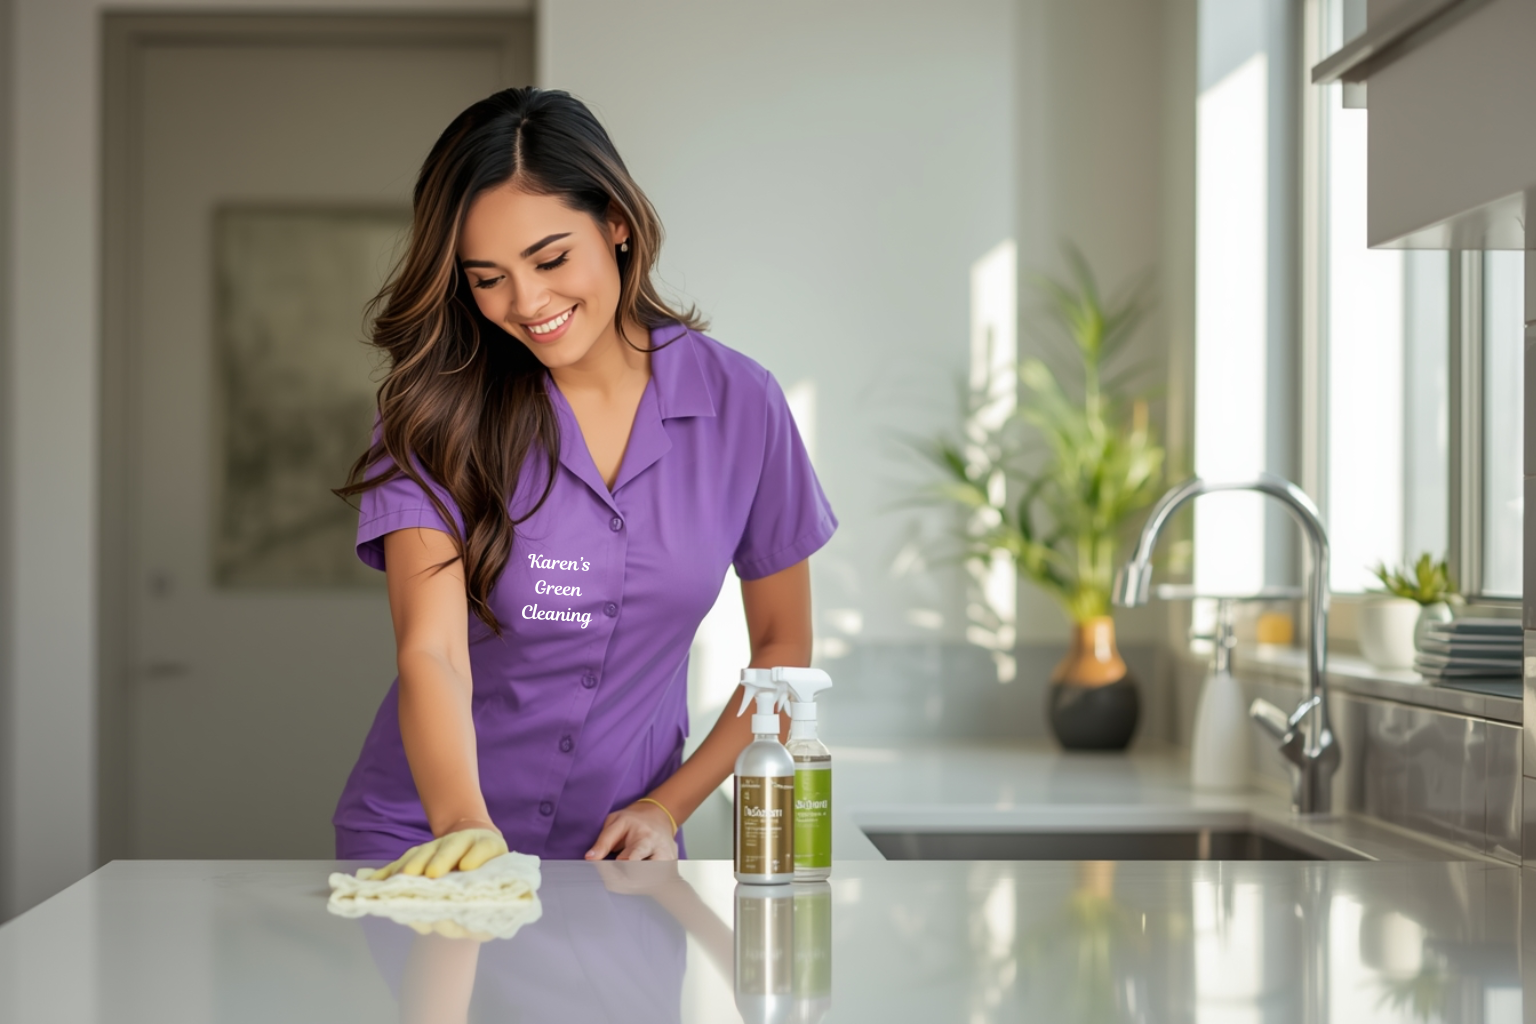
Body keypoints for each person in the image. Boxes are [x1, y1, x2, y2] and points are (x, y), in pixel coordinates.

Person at [331, 86, 836, 875]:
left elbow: (781, 647)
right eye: (486, 276)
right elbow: (431, 651)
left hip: (618, 863)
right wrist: (466, 827)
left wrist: (668, 806)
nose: (527, 303)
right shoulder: (434, 412)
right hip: (431, 843)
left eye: (551, 258)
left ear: (617, 223)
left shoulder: (742, 406)